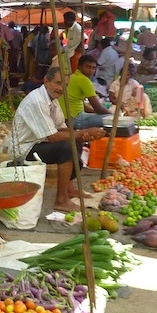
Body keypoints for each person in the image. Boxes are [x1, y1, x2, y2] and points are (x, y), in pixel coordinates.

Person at [13, 66, 106, 211]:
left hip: (38, 143)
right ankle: (61, 200)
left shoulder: (52, 98)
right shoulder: (37, 101)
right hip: (24, 149)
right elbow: (53, 136)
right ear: (46, 81)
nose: (62, 88)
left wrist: (82, 134)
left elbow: (61, 128)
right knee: (67, 148)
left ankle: (70, 190)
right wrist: (83, 132)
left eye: (65, 85)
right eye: (58, 83)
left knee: (75, 141)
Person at [59, 55, 111, 129]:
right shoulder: (83, 80)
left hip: (66, 118)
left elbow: (83, 105)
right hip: (74, 119)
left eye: (93, 68)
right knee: (113, 120)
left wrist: (94, 112)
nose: (91, 71)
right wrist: (113, 116)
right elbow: (98, 108)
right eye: (88, 67)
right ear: (79, 67)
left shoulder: (73, 76)